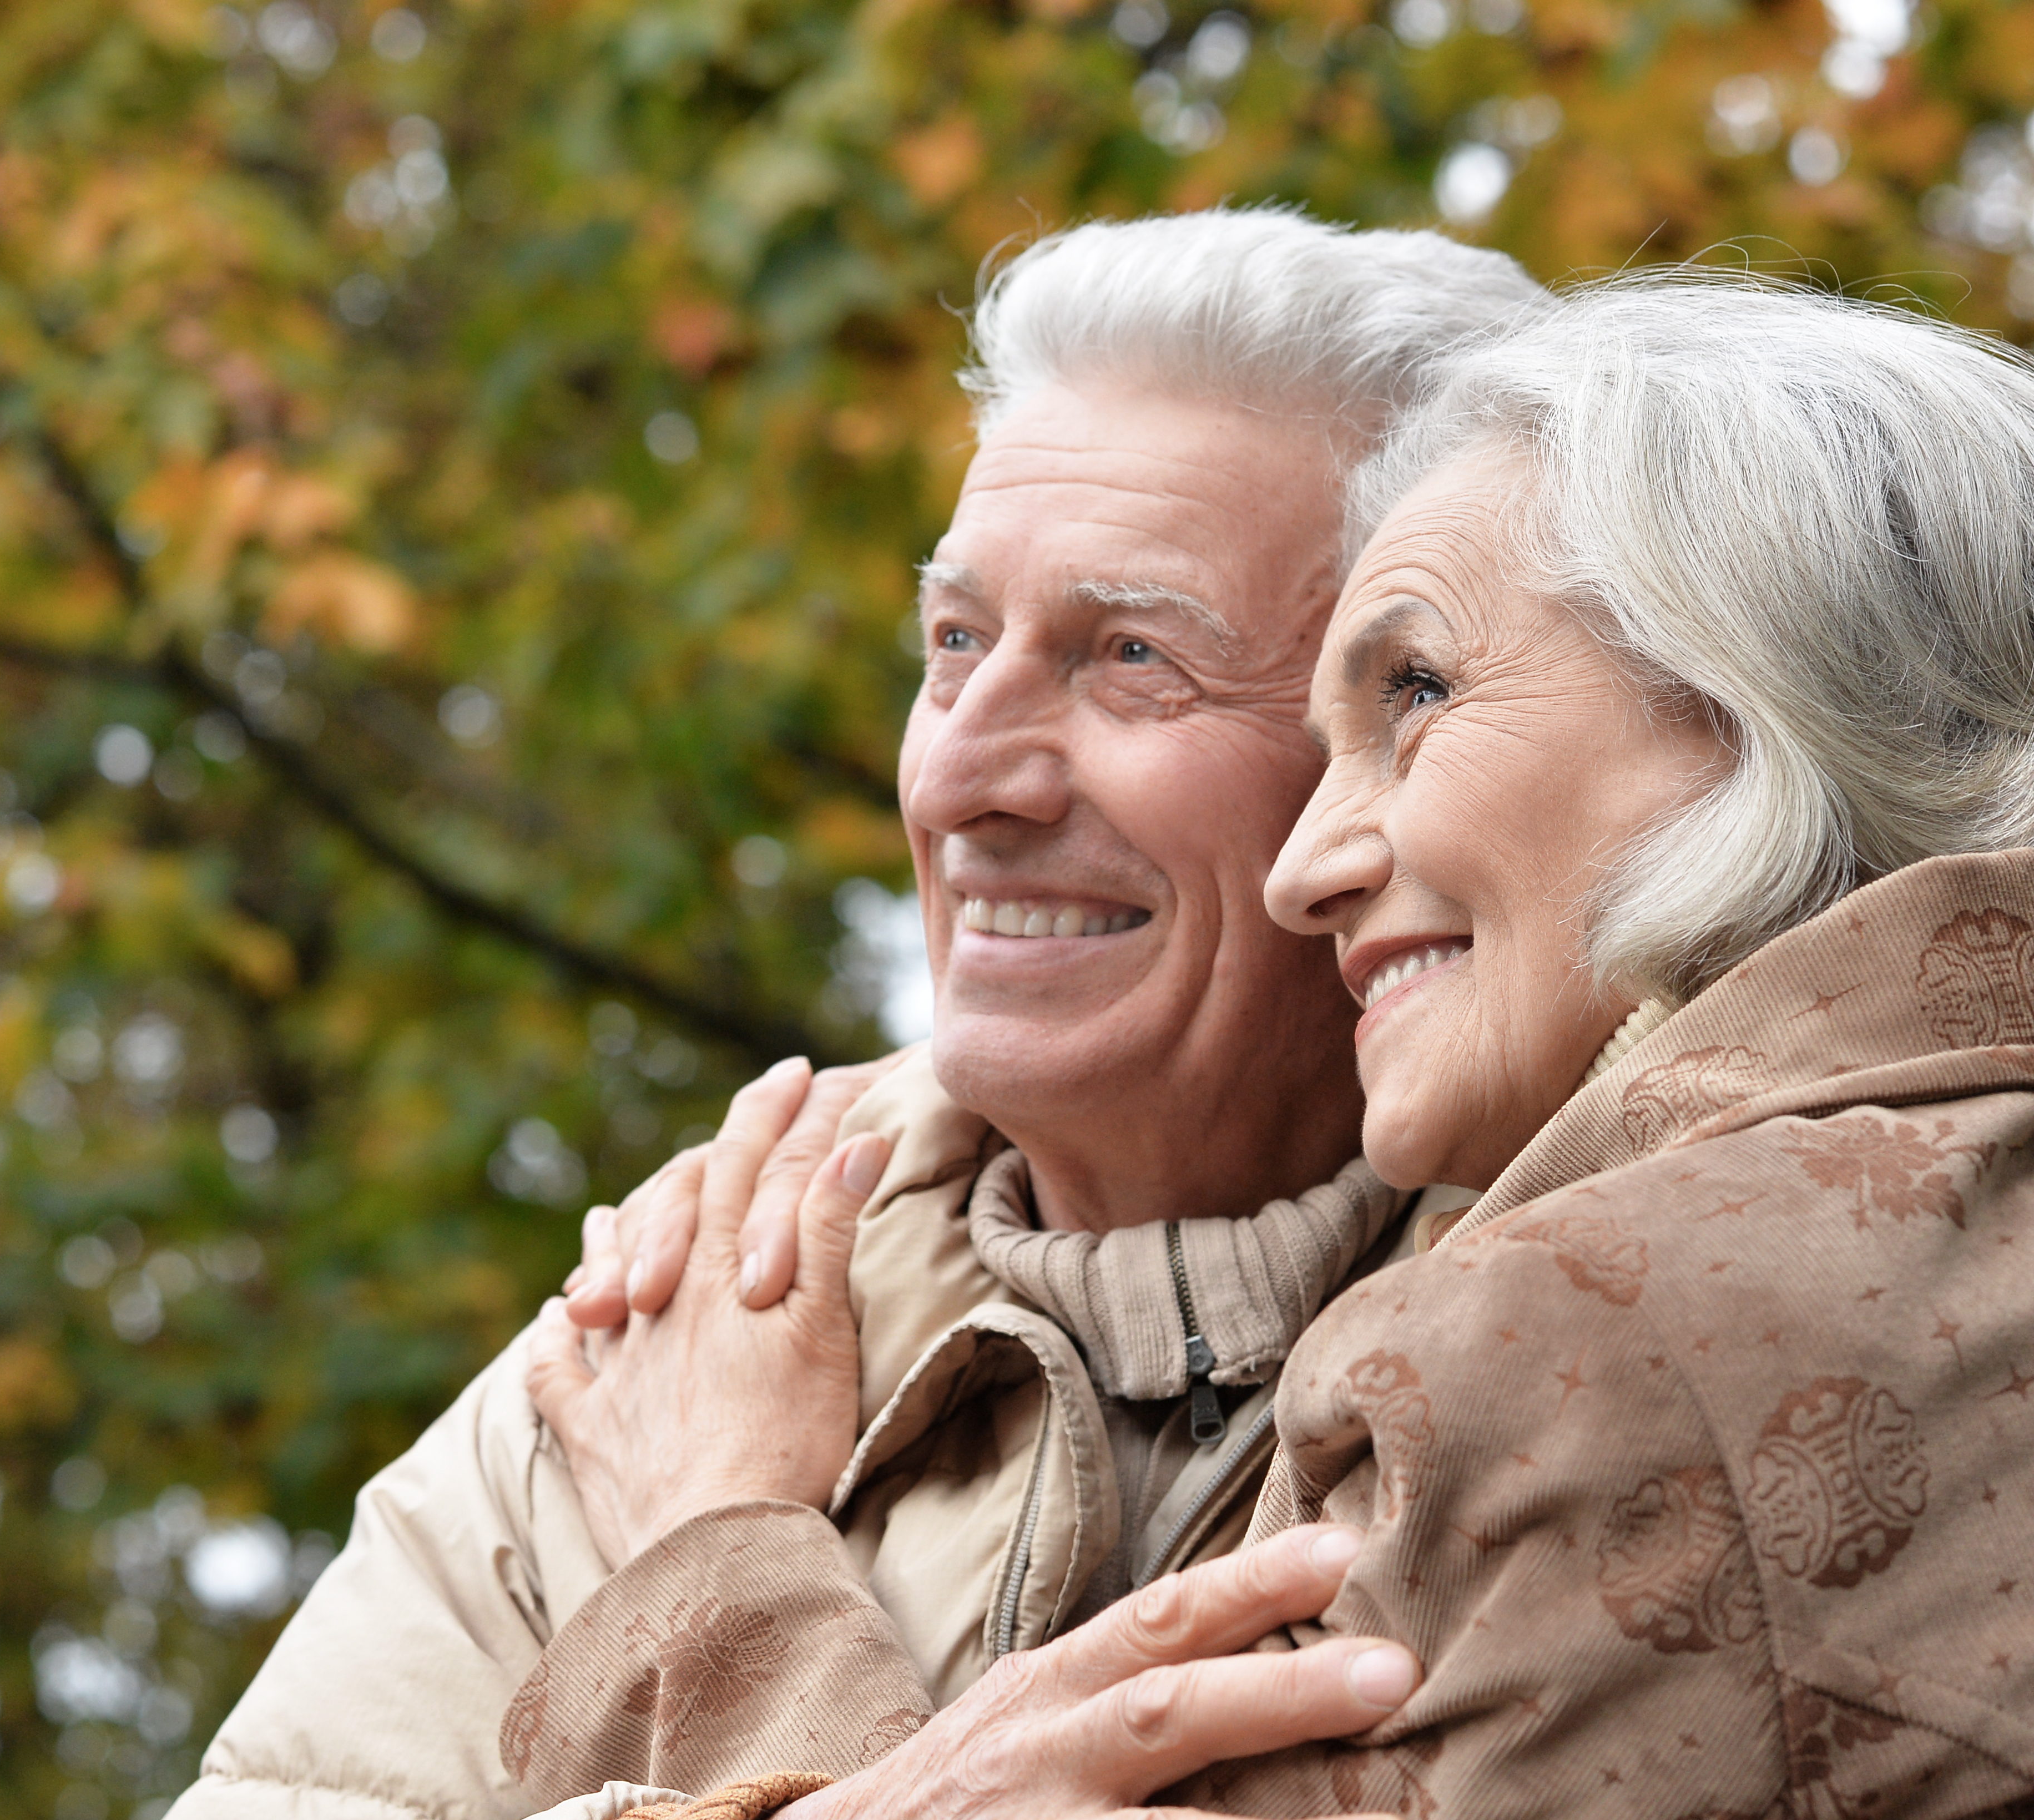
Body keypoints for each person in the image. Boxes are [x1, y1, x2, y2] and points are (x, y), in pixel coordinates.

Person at [178, 209, 1543, 1820]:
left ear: (1405, 735)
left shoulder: (1637, 1286)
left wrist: (715, 1586)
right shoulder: (674, 1326)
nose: (960, 773)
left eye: (1131, 658)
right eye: (954, 642)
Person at [632, 272, 2034, 1817]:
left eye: (1414, 693)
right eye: (951, 639)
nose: (1309, 868)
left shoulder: (1565, 1351)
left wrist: (717, 1559)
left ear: (1762, 699)